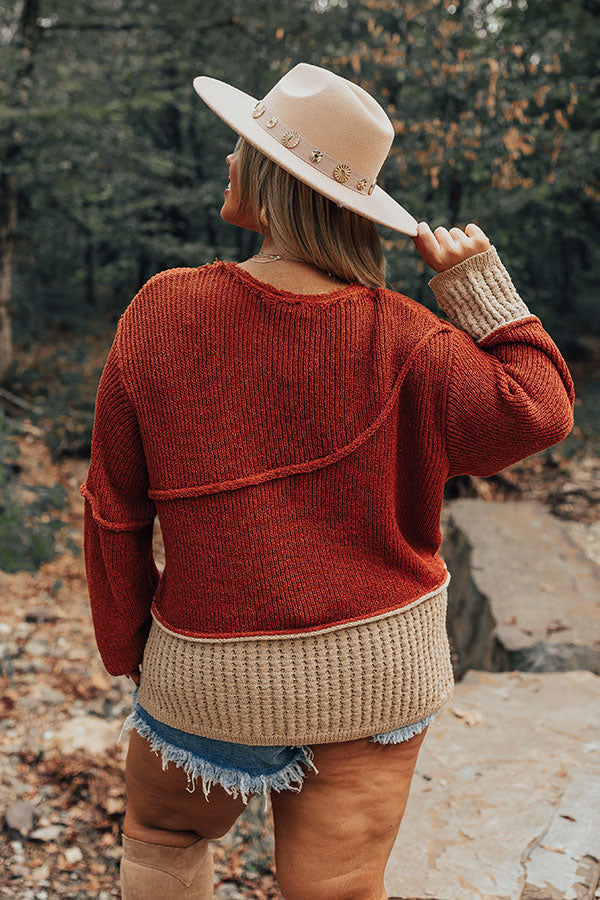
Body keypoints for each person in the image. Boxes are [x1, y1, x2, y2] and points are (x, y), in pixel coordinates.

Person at [79, 63, 575, 900]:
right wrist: (477, 286)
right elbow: (540, 410)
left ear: (272, 179)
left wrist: (131, 645)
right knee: (339, 888)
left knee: (162, 837)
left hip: (209, 672)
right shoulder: (412, 341)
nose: (231, 160)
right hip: (376, 676)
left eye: (245, 147)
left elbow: (114, 510)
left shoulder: (163, 311)